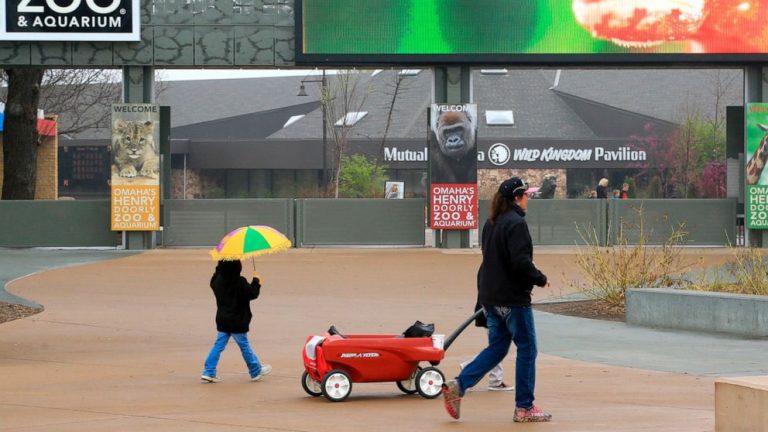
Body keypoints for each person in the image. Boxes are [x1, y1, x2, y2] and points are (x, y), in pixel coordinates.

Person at [442, 176, 551, 423]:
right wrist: (541, 279)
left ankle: (460, 384)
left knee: (498, 347)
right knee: (527, 349)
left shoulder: (491, 223)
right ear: (517, 197)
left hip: (491, 299)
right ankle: (524, 407)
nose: (528, 199)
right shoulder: (516, 224)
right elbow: (521, 263)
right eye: (527, 195)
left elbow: (491, 262)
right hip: (513, 299)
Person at [201, 260, 272, 383]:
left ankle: (208, 371)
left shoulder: (217, 281)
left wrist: (220, 264)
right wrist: (256, 281)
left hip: (223, 320)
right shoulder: (240, 281)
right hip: (238, 321)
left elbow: (214, 277)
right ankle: (255, 370)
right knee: (244, 346)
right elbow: (252, 293)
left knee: (218, 346)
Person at [458, 303, 513, 392]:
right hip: (493, 310)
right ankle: (493, 380)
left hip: (488, 308)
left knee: (496, 348)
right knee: (497, 348)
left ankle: (495, 380)